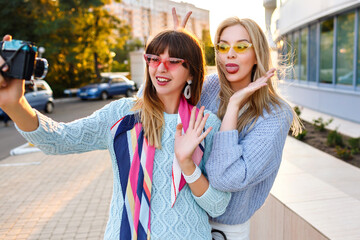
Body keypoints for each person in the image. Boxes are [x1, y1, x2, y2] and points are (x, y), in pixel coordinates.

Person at [0, 31, 231, 239]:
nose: (160, 68)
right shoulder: (122, 114)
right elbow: (58, 140)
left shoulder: (206, 124)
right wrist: (16, 105)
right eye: (153, 59)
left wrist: (187, 164)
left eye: (173, 62)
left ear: (191, 72)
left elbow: (218, 205)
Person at [172, 9, 302, 240]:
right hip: (181, 218)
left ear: (257, 53)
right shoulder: (209, 86)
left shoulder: (275, 114)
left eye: (241, 47)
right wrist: (173, 51)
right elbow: (153, 107)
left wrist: (232, 107)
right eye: (222, 46)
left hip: (222, 231)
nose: (229, 54)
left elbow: (226, 179)